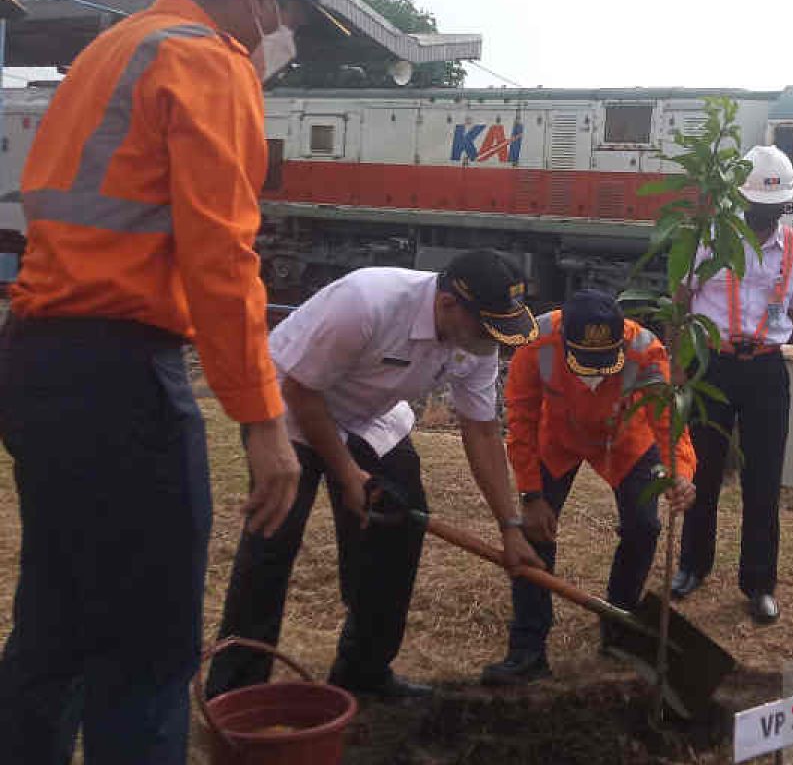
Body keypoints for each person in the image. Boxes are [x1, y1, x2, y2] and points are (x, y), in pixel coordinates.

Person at [0, 0, 346, 761]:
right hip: (119, 379)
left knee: (55, 624)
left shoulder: (113, 48)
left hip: (39, 358)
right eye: (290, 13)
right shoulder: (207, 60)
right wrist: (262, 420)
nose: (286, 34)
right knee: (150, 649)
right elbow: (220, 255)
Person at [206, 250, 546, 700]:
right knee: (272, 543)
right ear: (447, 305)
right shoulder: (367, 302)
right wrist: (348, 474)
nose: (491, 342)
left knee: (396, 533)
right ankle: (236, 693)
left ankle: (363, 673)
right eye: (485, 328)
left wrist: (510, 527)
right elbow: (303, 393)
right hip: (287, 409)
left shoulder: (477, 338)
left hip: (371, 418)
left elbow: (482, 431)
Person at [481, 290, 698, 685]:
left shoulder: (646, 350)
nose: (596, 373)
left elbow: (667, 420)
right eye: (585, 363)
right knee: (534, 533)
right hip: (558, 439)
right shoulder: (536, 341)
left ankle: (619, 622)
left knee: (644, 527)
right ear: (564, 340)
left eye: (604, 364)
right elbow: (522, 419)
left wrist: (681, 471)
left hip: (626, 440)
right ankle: (528, 646)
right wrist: (531, 495)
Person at [671, 145, 793, 624]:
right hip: (711, 366)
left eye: (775, 208)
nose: (767, 215)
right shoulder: (706, 238)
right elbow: (678, 301)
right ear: (742, 201)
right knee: (703, 473)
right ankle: (693, 565)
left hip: (765, 372)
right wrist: (674, 367)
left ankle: (759, 583)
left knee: (763, 481)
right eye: (759, 207)